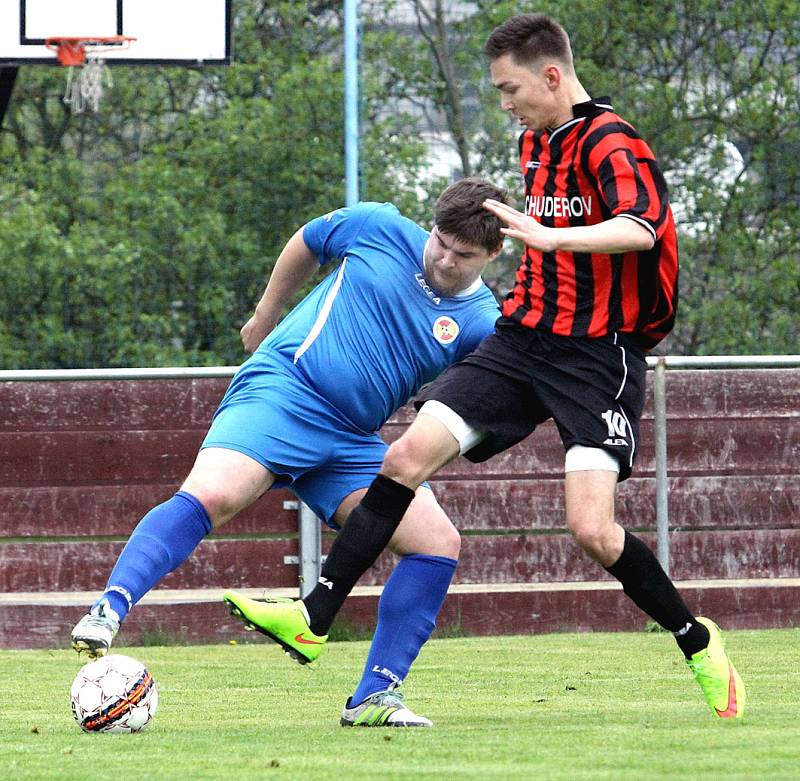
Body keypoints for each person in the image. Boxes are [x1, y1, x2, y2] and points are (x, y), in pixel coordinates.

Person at [243, 14, 746, 720]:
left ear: (550, 74)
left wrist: (549, 233)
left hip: (596, 357)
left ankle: (695, 639)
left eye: (510, 88)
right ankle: (315, 614)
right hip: (521, 340)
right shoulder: (533, 146)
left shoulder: (614, 141)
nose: (505, 102)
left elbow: (641, 226)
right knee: (404, 456)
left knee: (593, 531)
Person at [70, 176, 509, 728]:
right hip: (285, 390)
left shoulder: (482, 324)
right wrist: (265, 313)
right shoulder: (378, 226)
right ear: (432, 224)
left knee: (436, 544)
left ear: (495, 252)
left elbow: (479, 394)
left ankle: (374, 697)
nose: (444, 259)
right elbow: (307, 240)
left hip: (351, 440)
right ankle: (108, 608)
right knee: (215, 493)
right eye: (440, 241)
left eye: (462, 254)